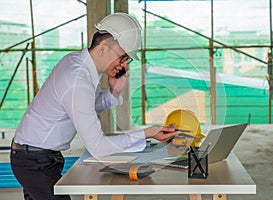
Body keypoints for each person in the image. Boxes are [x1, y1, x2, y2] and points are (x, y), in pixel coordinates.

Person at [10, 12, 179, 200]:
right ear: (103, 48)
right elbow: (98, 147)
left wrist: (114, 92)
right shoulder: (77, 79)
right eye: (122, 57)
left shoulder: (78, 63)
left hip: (37, 156)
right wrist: (147, 132)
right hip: (34, 161)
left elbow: (87, 106)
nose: (123, 65)